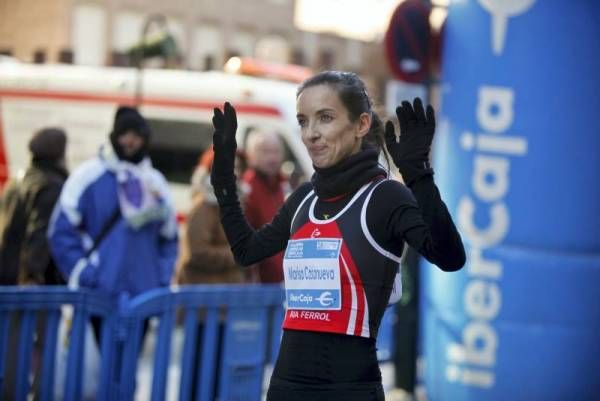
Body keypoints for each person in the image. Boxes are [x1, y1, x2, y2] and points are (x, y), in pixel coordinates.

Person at [209, 71, 465, 400]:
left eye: (325, 118)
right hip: (286, 387)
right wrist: (225, 184)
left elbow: (450, 257)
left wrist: (419, 176)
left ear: (360, 125)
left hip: (350, 389)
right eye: (303, 121)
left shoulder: (384, 198)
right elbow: (246, 250)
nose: (310, 134)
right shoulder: (303, 199)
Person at [48, 106, 178, 345]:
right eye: (124, 134)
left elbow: (169, 238)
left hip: (143, 295)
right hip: (97, 293)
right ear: (114, 136)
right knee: (95, 374)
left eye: (136, 135)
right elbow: (61, 232)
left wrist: (161, 278)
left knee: (127, 375)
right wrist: (84, 272)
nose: (130, 141)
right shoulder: (88, 175)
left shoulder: (155, 182)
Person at [0, 127, 68, 400]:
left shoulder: (17, 180)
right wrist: (33, 276)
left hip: (6, 276)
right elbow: (38, 234)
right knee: (40, 341)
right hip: (34, 282)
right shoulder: (51, 185)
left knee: (11, 341)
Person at [242, 129, 290, 283]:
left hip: (283, 279)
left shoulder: (283, 185)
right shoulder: (246, 190)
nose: (272, 158)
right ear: (251, 156)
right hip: (259, 284)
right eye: (265, 152)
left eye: (276, 152)